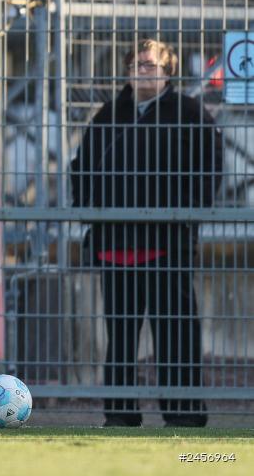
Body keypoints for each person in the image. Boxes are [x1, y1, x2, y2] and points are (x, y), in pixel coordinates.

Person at [70, 38, 222, 427]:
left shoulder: (190, 113)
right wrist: (94, 211)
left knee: (176, 334)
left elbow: (209, 169)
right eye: (136, 64)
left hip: (167, 244)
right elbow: (81, 167)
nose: (142, 70)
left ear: (168, 71)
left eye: (150, 65)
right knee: (120, 339)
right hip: (115, 245)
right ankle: (120, 415)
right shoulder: (108, 115)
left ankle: (183, 414)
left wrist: (186, 214)